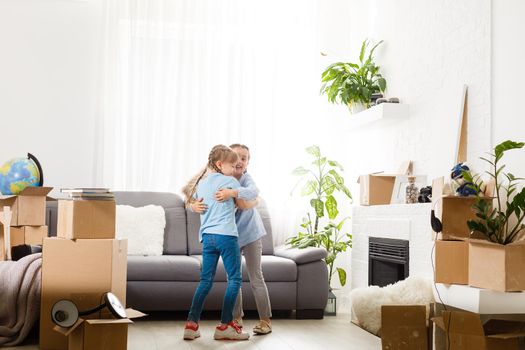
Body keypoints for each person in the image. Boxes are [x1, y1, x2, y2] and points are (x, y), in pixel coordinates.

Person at [187, 144, 272, 335]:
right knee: (233, 279)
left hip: (249, 233)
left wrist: (233, 193)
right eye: (237, 157)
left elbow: (251, 195)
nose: (240, 161)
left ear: (248, 163)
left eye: (244, 158)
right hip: (228, 235)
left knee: (255, 276)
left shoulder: (244, 179)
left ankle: (265, 320)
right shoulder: (215, 178)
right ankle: (235, 318)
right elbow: (191, 194)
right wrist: (193, 205)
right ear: (225, 161)